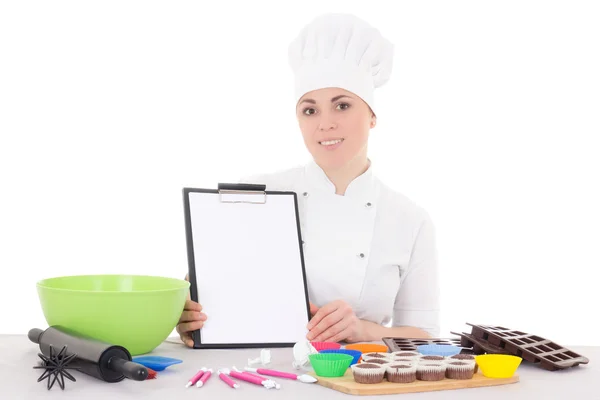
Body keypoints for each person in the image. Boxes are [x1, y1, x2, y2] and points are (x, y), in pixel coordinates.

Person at [176, 13, 440, 348]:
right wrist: (193, 318)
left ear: (372, 116)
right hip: (264, 373)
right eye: (310, 110)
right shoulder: (258, 194)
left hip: (360, 379)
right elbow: (216, 296)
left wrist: (363, 330)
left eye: (342, 105)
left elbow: (427, 336)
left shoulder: (410, 219)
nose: (325, 124)